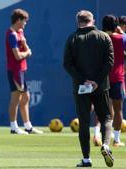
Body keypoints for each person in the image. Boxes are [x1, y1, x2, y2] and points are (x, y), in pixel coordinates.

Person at [64, 10, 114, 167]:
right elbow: (109, 63)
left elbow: (67, 64)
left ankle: (86, 159)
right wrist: (96, 81)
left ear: (78, 21)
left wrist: (83, 80)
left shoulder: (72, 38)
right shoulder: (104, 37)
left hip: (81, 87)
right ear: (92, 21)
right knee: (106, 117)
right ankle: (105, 145)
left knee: (84, 122)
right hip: (101, 86)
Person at [5, 9, 43, 135]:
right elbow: (17, 55)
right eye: (24, 21)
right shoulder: (11, 35)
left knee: (26, 97)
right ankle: (13, 127)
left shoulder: (20, 32)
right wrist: (27, 52)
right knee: (16, 97)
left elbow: (26, 47)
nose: (25, 24)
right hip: (14, 70)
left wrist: (26, 49)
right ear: (18, 20)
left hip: (22, 69)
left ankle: (28, 126)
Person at [103, 15, 126, 147]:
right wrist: (121, 31)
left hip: (102, 79)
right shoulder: (121, 38)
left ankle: (99, 135)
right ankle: (116, 140)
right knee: (118, 110)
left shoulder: (100, 38)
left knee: (103, 109)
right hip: (117, 79)